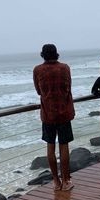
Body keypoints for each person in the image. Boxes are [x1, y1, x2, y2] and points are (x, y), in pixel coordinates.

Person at [33, 44, 75, 191]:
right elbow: (68, 87)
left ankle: (56, 181)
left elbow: (39, 91)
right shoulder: (64, 68)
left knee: (50, 148)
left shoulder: (37, 70)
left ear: (42, 54)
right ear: (56, 54)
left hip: (48, 114)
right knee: (64, 147)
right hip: (64, 113)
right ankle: (66, 181)